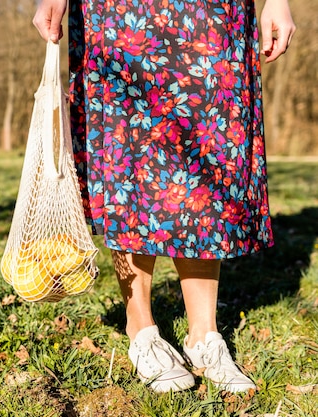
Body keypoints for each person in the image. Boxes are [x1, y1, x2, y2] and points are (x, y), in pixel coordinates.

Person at [33, 0, 295, 393]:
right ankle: (142, 329)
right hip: (120, 11)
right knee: (128, 147)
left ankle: (203, 336)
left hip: (212, 12)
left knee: (208, 148)